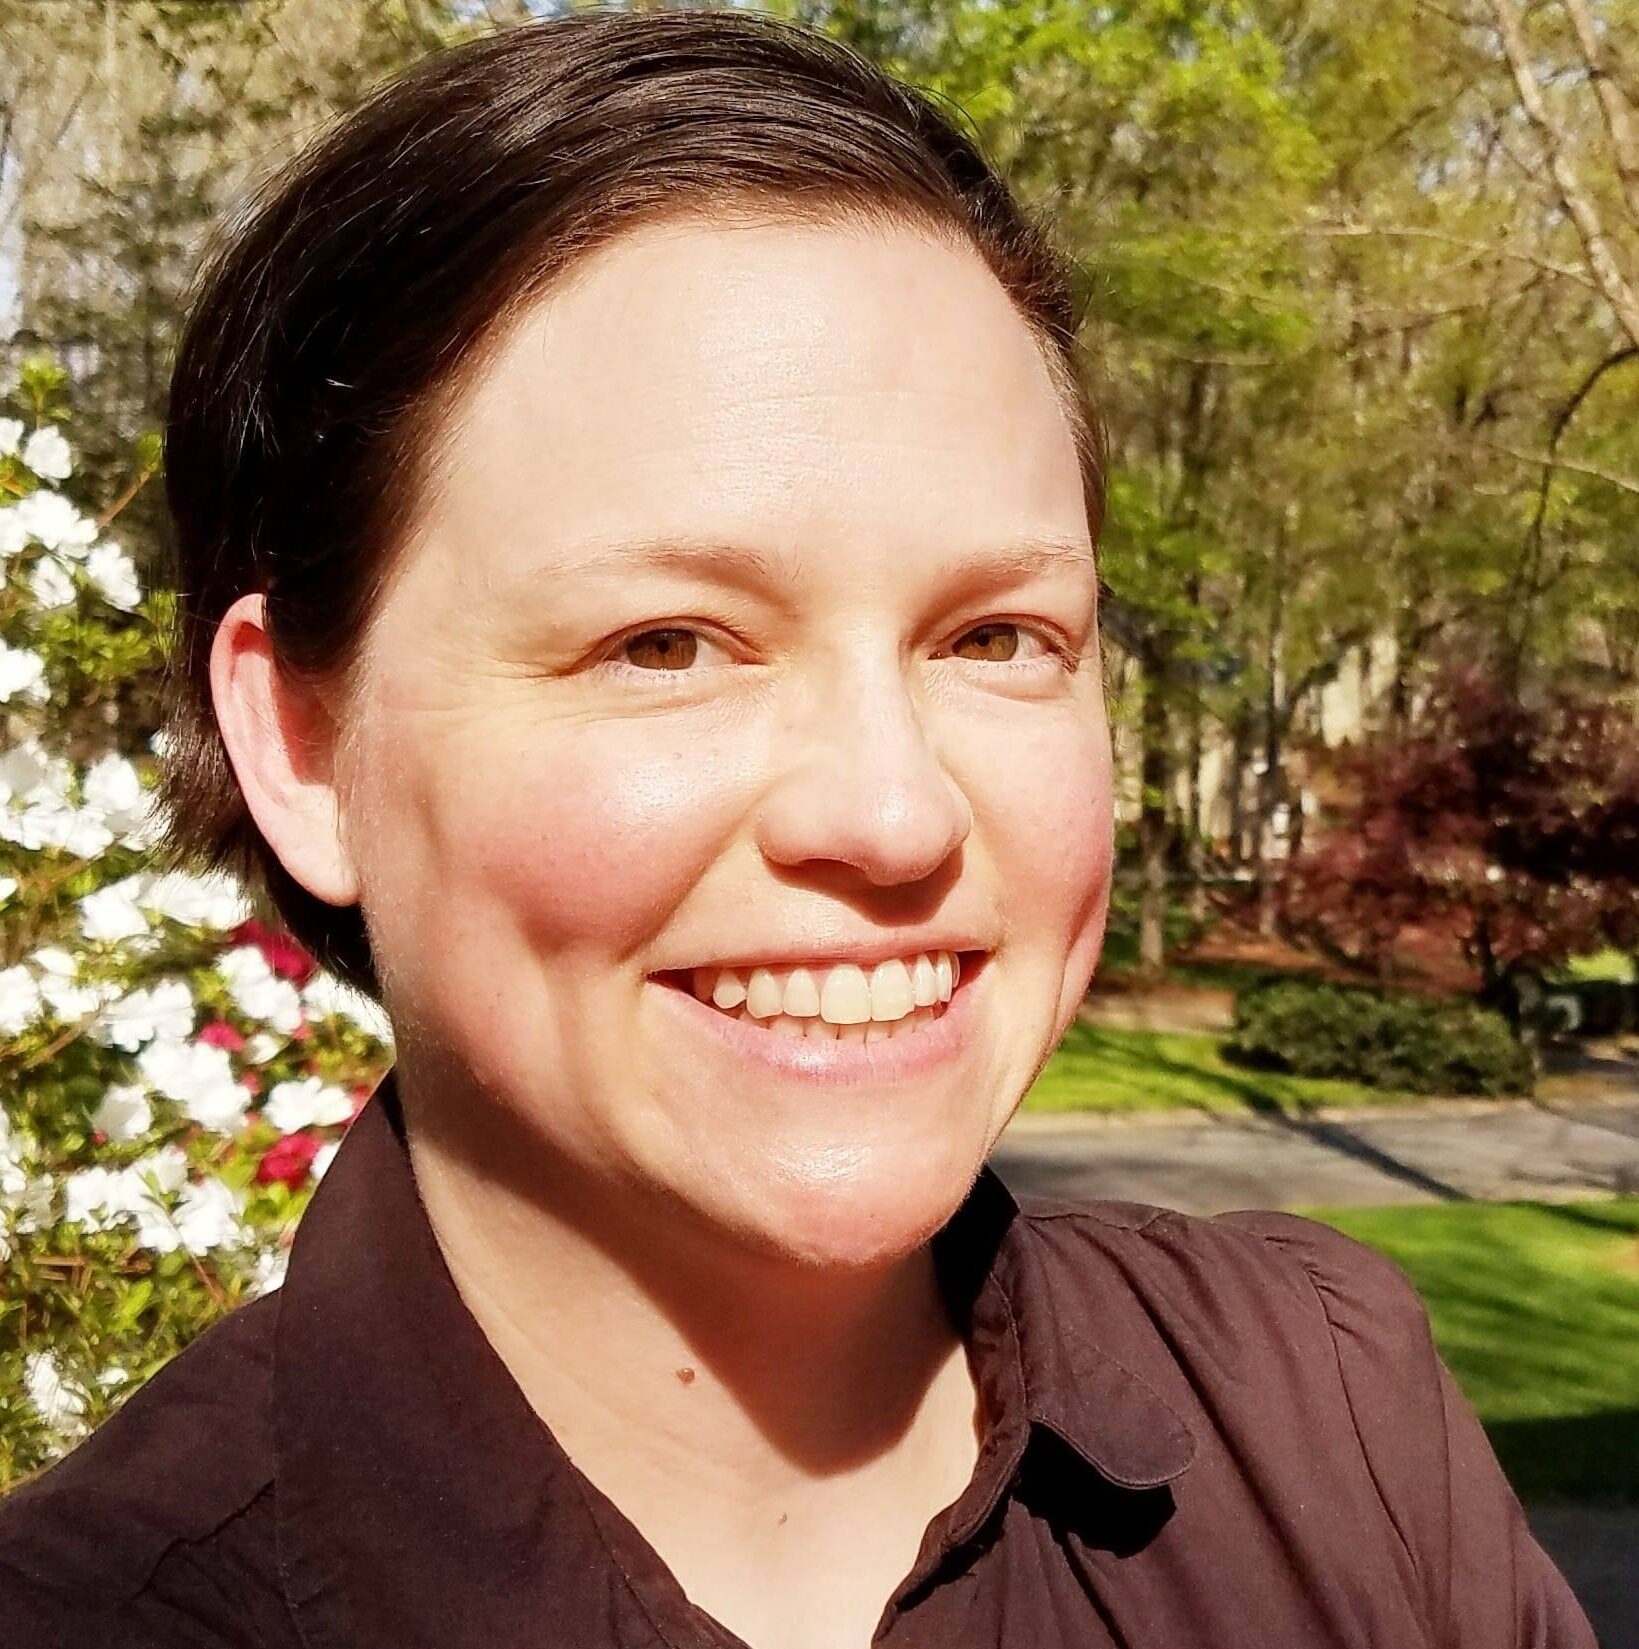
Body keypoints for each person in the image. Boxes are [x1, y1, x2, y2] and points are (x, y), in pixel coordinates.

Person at [0, 10, 1597, 1647]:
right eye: (665, 645)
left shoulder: (1328, 1421)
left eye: (994, 637)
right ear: (302, 740)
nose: (893, 812)